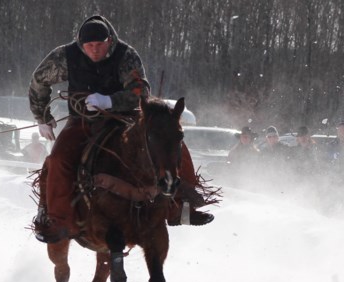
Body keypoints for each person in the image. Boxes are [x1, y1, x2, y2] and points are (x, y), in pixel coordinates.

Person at [28, 15, 213, 243]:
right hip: (82, 121)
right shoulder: (65, 56)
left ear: (109, 41)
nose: (95, 50)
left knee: (173, 143)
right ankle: (58, 220)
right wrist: (42, 117)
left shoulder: (125, 55)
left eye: (100, 45)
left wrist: (109, 101)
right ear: (81, 44)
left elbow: (140, 91)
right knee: (57, 160)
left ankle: (183, 208)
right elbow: (39, 80)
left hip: (126, 120)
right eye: (90, 46)